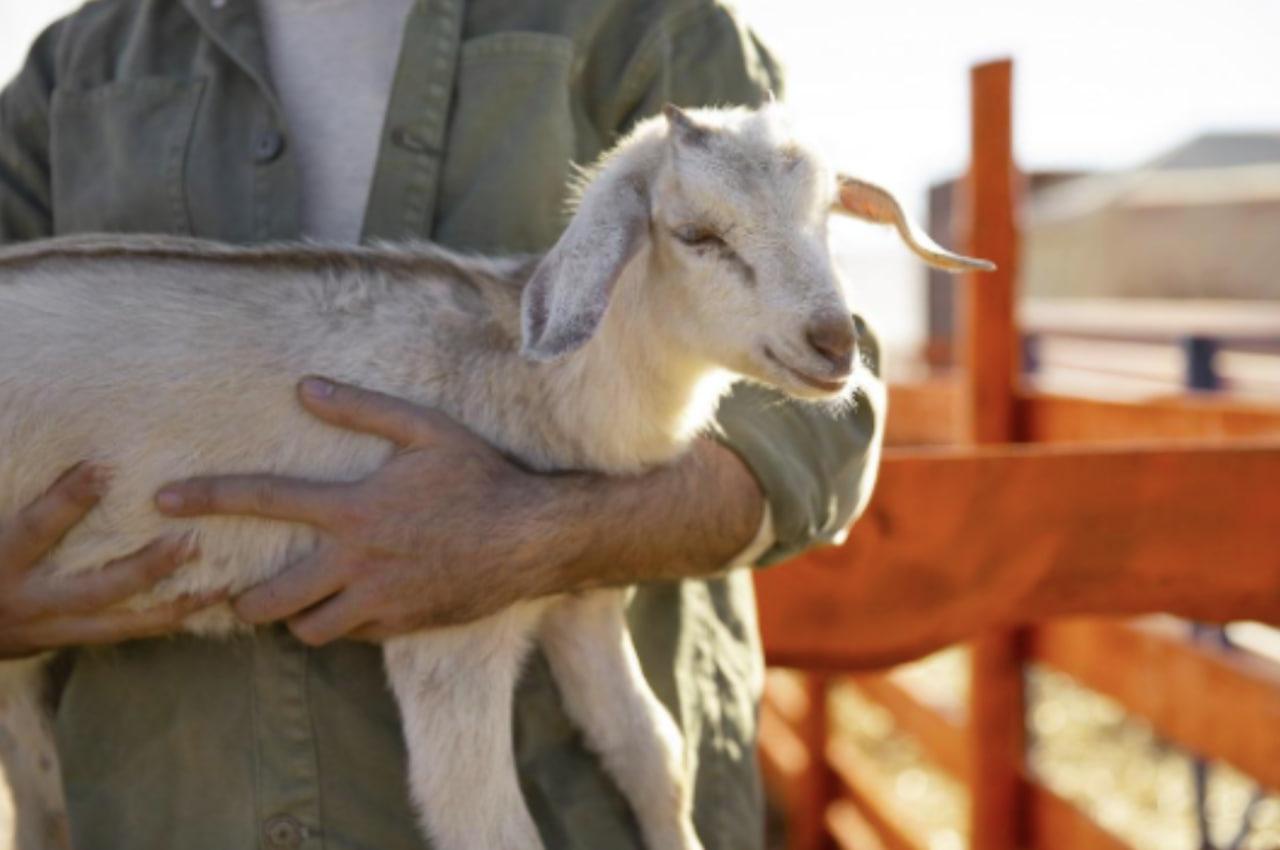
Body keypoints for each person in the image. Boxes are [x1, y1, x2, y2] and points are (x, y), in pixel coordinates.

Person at [0, 1, 882, 848]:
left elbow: (825, 425)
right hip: (161, 815)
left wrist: (540, 534)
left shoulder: (648, 21)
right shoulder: (76, 66)